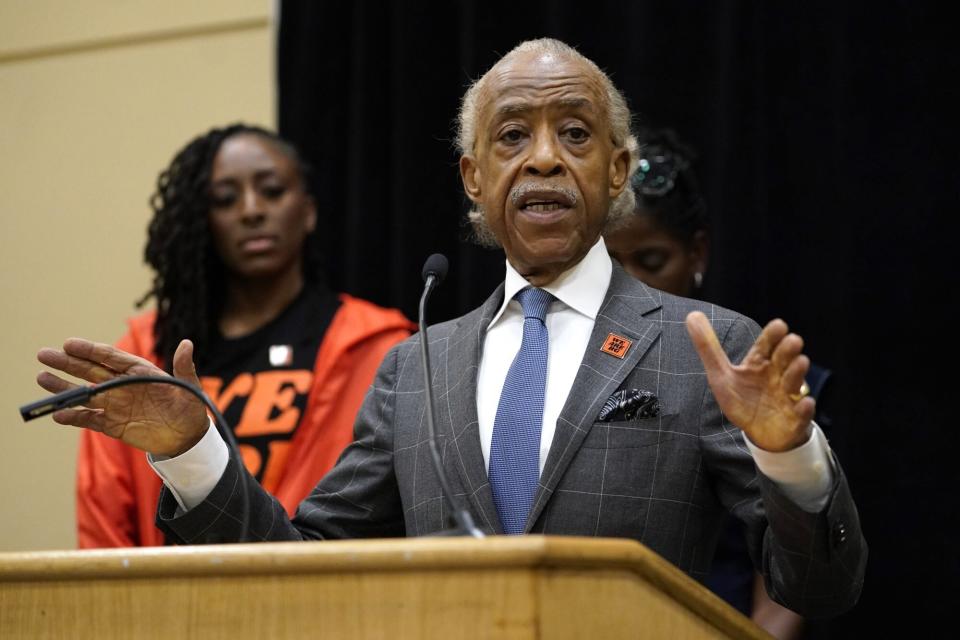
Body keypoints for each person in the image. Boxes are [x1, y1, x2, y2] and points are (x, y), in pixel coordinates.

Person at [37, 39, 865, 620]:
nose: (544, 158)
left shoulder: (704, 350)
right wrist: (193, 452)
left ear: (616, 170)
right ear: (476, 177)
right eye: (513, 136)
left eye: (574, 134)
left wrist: (789, 456)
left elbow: (820, 589)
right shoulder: (416, 366)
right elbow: (308, 563)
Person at [74, 124, 415, 547]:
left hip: (312, 591)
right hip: (167, 603)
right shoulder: (144, 354)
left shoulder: (378, 347)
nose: (251, 210)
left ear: (308, 212)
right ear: (204, 220)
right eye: (225, 199)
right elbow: (104, 532)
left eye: (272, 191)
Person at [606, 127, 815, 638]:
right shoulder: (572, 365)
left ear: (696, 254)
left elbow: (793, 568)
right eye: (611, 265)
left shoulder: (761, 380)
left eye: (651, 262)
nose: (632, 283)